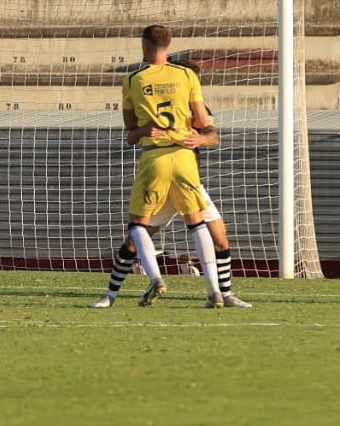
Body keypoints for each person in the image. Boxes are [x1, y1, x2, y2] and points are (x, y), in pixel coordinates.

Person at [91, 67, 252, 309]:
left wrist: (201, 139)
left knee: (220, 238)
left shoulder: (198, 110)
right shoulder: (159, 105)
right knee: (135, 240)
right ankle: (110, 295)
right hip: (166, 180)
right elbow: (133, 133)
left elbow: (212, 135)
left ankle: (225, 294)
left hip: (190, 182)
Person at [115, 25, 223, 308]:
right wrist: (202, 136)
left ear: (144, 45)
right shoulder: (187, 75)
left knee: (137, 226)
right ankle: (215, 290)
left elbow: (130, 132)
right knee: (198, 224)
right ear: (169, 45)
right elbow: (204, 121)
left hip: (156, 158)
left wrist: (145, 130)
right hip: (186, 159)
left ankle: (149, 279)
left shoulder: (134, 79)